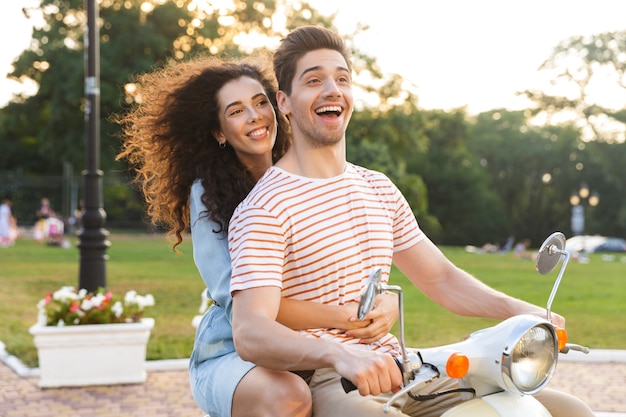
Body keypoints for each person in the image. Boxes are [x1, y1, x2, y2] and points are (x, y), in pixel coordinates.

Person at [227, 25, 595, 417]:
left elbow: (440, 278)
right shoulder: (266, 206)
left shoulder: (378, 188)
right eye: (314, 80)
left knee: (570, 411)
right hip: (333, 377)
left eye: (342, 79)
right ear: (284, 101)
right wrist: (339, 354)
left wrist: (522, 311)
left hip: (406, 366)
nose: (332, 89)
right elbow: (250, 330)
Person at [114, 55, 398, 417]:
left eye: (260, 102)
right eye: (236, 111)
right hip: (233, 350)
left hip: (319, 343)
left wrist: (383, 303)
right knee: (288, 396)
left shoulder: (306, 172)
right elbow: (248, 313)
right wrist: (351, 318)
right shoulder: (208, 195)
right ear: (218, 131)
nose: (254, 117)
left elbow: (344, 267)